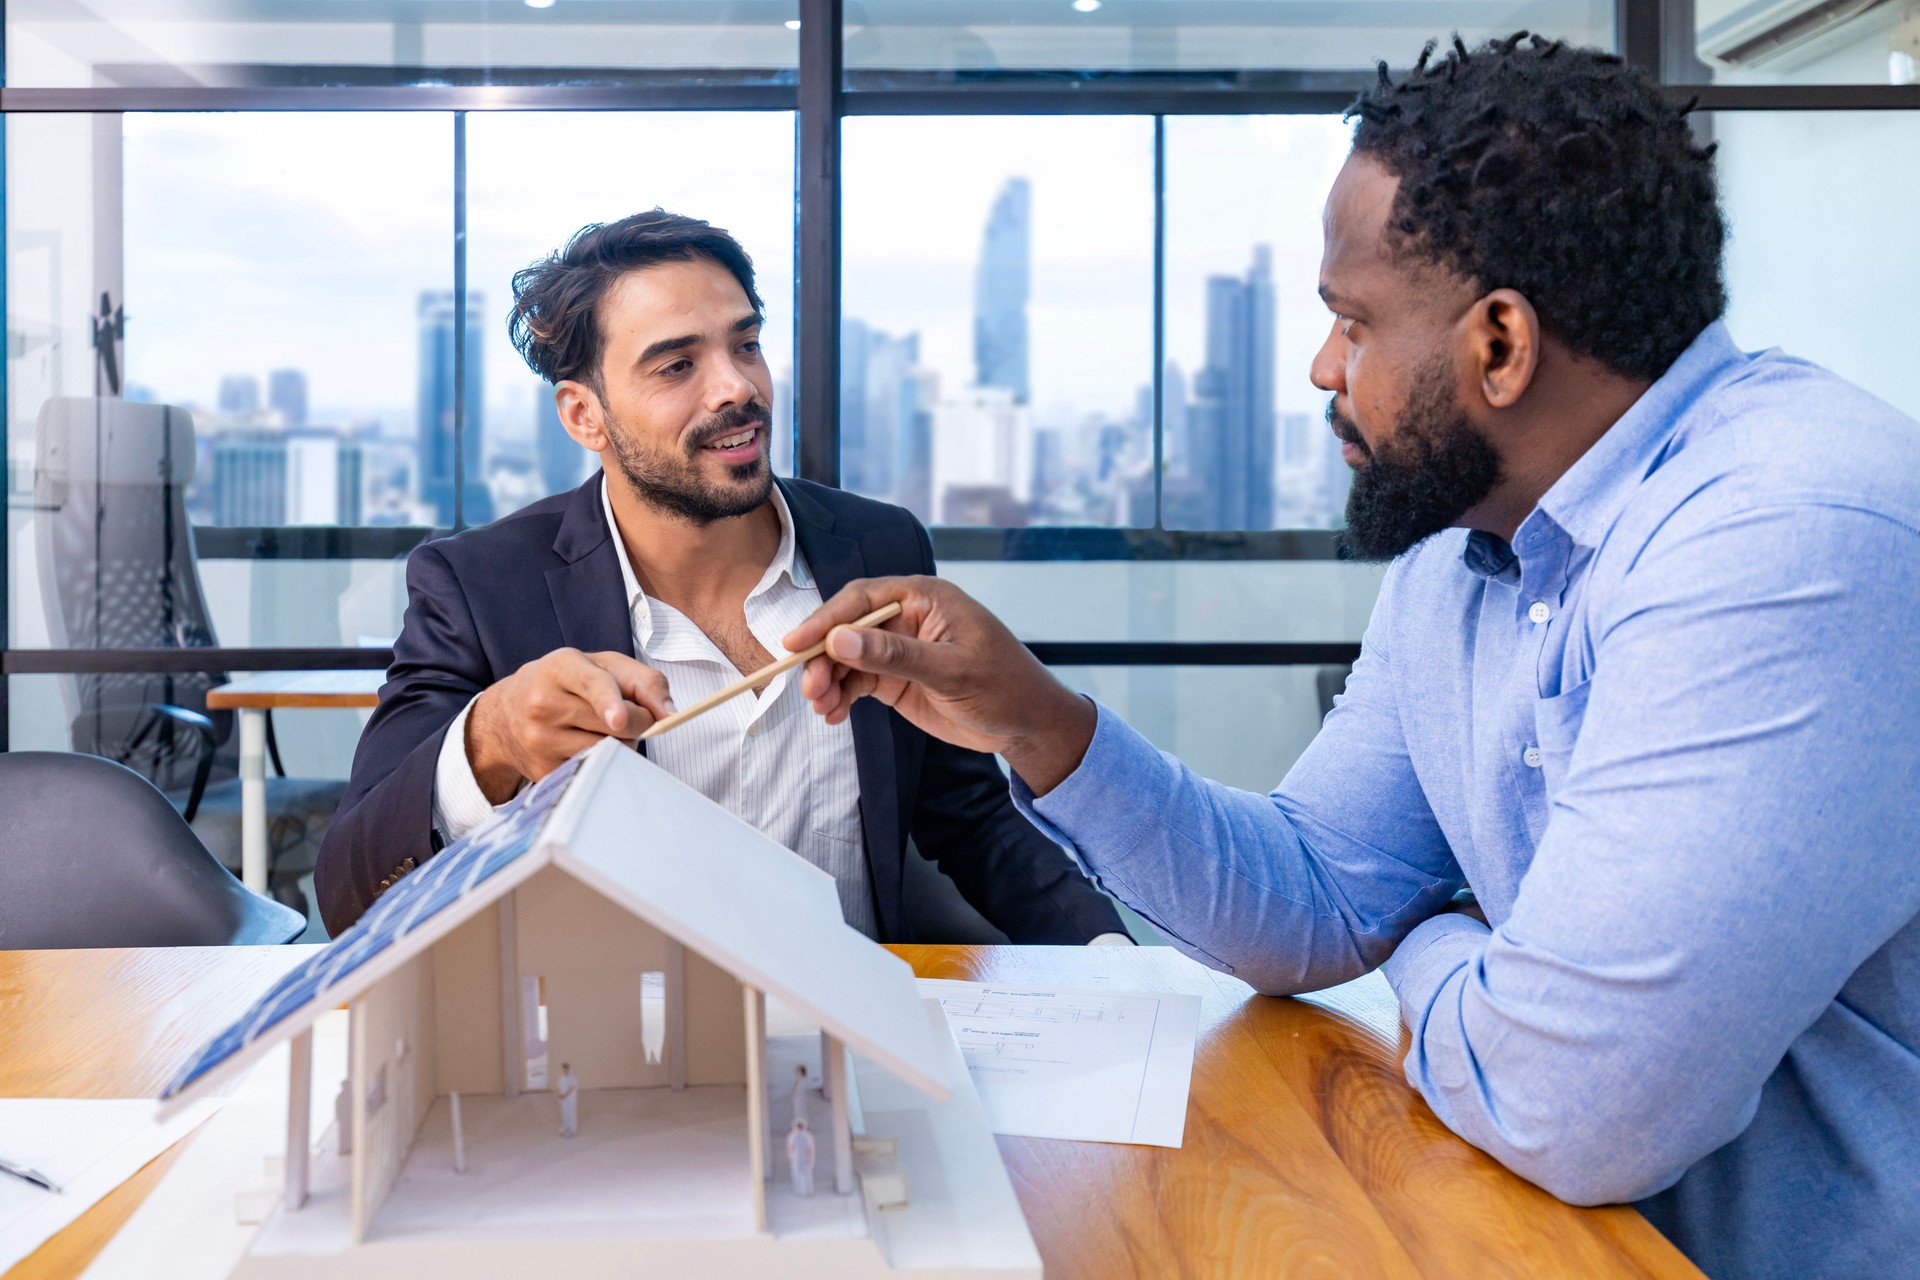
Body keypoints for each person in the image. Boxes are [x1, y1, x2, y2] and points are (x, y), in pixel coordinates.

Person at [784, 35, 1920, 1280]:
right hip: (1525, 1232)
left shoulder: (1793, 532)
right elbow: (1319, 894)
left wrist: (1427, 936)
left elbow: (1572, 1103)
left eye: (1351, 321)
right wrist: (1033, 719)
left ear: (1499, 344)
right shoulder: (1463, 547)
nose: (1324, 368)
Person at [313, 211, 1127, 950]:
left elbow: (972, 817)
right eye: (676, 366)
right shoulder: (482, 585)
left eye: (746, 344)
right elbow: (350, 891)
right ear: (583, 415)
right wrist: (489, 741)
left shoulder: (877, 546)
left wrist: (1112, 958)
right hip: (614, 1066)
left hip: (859, 1044)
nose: (737, 386)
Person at [787, 1118, 816, 1198]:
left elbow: (809, 1148)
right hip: (797, 1157)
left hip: (804, 1157)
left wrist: (809, 1157)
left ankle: (806, 1191)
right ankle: (799, 1191)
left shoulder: (807, 1136)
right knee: (797, 1174)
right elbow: (791, 1147)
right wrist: (791, 1156)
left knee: (806, 1174)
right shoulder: (793, 1136)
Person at [557, 1062, 578, 1138]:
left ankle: (572, 1130)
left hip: (570, 1099)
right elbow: (559, 1087)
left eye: (567, 1069)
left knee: (571, 1113)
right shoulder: (561, 1077)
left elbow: (571, 1088)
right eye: (564, 1069)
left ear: (569, 1069)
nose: (565, 1070)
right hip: (563, 1100)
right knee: (564, 1113)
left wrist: (564, 1095)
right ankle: (566, 1127)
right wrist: (559, 1094)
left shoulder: (573, 1078)